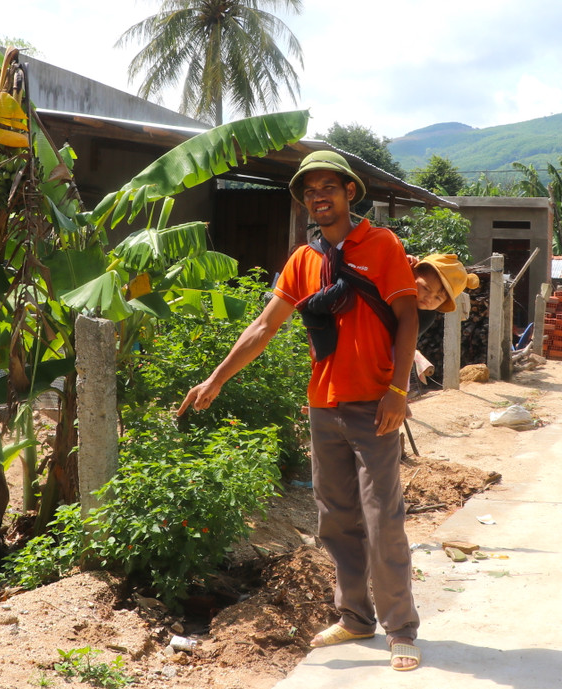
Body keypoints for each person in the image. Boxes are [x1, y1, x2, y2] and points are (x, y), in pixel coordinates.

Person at [178, 151, 422, 672]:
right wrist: (216, 379)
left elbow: (407, 318)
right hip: (323, 405)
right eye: (310, 191)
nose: (319, 197)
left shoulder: (382, 245)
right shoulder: (303, 260)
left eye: (328, 187)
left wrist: (398, 391)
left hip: (375, 402)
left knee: (383, 518)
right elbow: (264, 327)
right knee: (336, 520)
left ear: (349, 192)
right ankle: (355, 616)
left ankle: (400, 627)